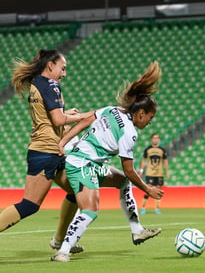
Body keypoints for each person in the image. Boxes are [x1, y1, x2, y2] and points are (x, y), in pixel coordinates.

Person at [0, 49, 92, 260]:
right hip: (45, 152)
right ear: (50, 65)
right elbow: (58, 121)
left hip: (53, 151)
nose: (64, 74)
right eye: (63, 69)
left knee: (76, 191)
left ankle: (60, 240)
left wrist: (68, 114)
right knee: (30, 205)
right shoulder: (50, 85)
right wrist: (89, 115)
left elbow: (54, 117)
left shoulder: (39, 83)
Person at [51, 61, 164, 262]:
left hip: (88, 163)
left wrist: (64, 141)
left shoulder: (112, 110)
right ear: (140, 113)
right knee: (90, 211)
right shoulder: (129, 133)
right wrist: (148, 189)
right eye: (150, 118)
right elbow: (129, 169)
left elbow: (85, 120)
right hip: (83, 165)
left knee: (122, 182)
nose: (149, 122)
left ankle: (137, 231)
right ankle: (62, 251)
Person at [49, 136, 162, 252]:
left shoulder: (75, 132)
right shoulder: (59, 131)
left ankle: (61, 241)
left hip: (87, 165)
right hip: (79, 166)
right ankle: (64, 248)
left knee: (120, 182)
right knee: (88, 207)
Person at [139, 133, 170, 215]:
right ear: (151, 139)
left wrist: (167, 171)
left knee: (159, 190)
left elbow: (165, 161)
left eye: (157, 138)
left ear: (159, 140)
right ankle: (143, 207)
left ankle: (157, 208)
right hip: (150, 172)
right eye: (154, 138)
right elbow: (143, 160)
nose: (155, 139)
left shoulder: (162, 150)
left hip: (159, 173)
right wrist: (141, 170)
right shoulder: (148, 149)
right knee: (148, 189)